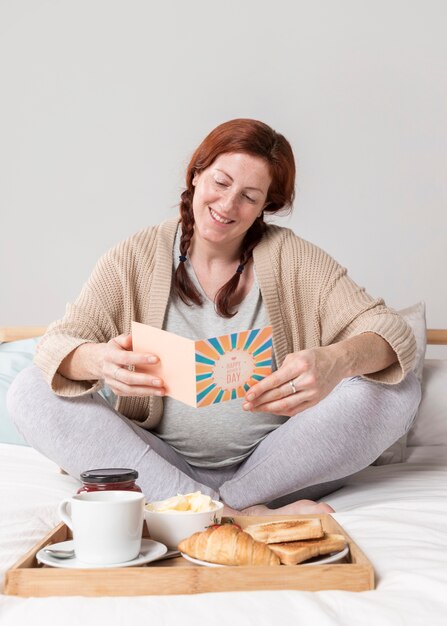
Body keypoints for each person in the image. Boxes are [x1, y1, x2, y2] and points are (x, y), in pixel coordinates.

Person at [8, 118, 421, 517]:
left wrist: (337, 361)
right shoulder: (136, 256)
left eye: (249, 196)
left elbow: (391, 332)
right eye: (221, 183)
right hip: (162, 467)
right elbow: (57, 344)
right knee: (30, 390)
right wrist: (97, 360)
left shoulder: (292, 257)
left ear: (266, 206)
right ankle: (231, 513)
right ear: (196, 175)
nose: (227, 205)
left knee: (397, 390)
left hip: (276, 470)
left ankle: (214, 508)